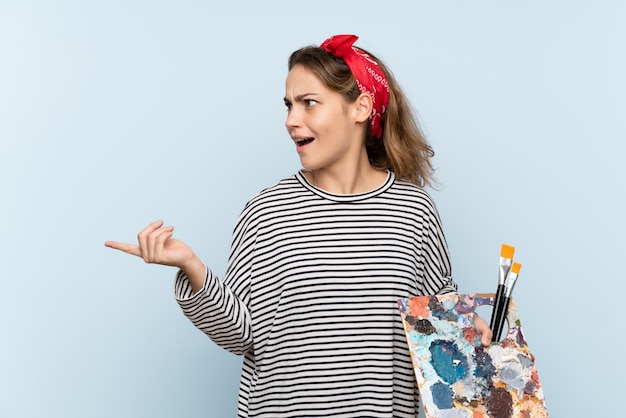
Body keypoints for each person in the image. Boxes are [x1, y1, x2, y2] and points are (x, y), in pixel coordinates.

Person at [105, 34, 492, 418]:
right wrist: (193, 269)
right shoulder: (266, 211)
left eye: (309, 103)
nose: (292, 120)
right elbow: (241, 334)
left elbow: (436, 330)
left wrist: (466, 329)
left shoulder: (415, 211)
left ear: (359, 108)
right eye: (289, 105)